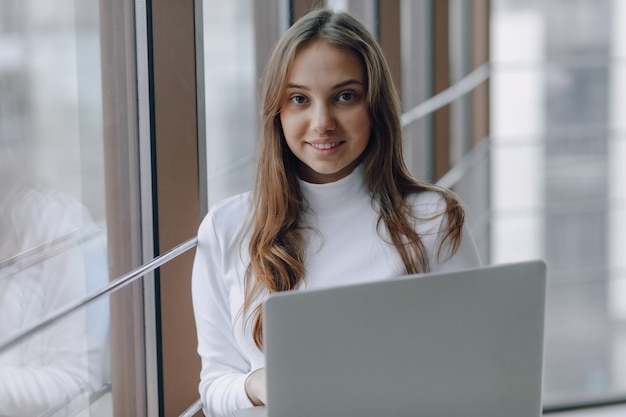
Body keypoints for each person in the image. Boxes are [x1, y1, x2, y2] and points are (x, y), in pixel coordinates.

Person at [191, 8, 481, 417]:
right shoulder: (227, 228)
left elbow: (476, 370)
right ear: (278, 112)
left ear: (374, 106)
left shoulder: (434, 220)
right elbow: (215, 386)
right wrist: (256, 384)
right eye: (299, 99)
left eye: (345, 96)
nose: (322, 122)